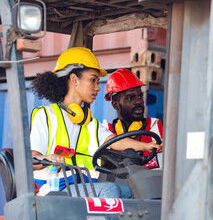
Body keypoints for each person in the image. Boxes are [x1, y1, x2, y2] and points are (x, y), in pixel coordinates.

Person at [30, 47, 160, 198]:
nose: (98, 87)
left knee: (136, 193)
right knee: (110, 190)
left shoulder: (90, 122)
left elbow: (115, 142)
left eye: (97, 81)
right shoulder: (45, 115)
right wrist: (49, 158)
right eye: (93, 80)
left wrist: (149, 146)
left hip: (84, 189)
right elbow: (32, 159)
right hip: (53, 191)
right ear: (74, 79)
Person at [104, 68, 164, 169]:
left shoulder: (157, 127)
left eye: (140, 96)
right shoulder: (105, 132)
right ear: (115, 105)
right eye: (130, 98)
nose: (138, 102)